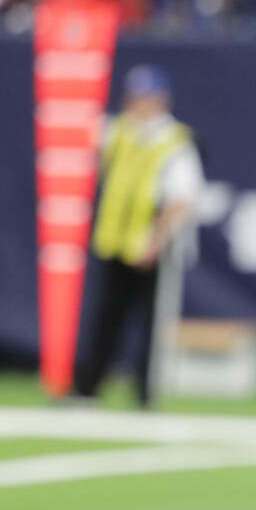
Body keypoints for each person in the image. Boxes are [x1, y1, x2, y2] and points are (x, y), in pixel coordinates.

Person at [75, 64, 203, 408]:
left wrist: (156, 239)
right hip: (115, 240)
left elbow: (182, 198)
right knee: (104, 318)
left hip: (152, 245)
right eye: (134, 96)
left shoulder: (175, 140)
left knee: (150, 324)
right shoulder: (118, 131)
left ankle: (145, 395)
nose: (137, 104)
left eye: (145, 97)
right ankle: (86, 389)